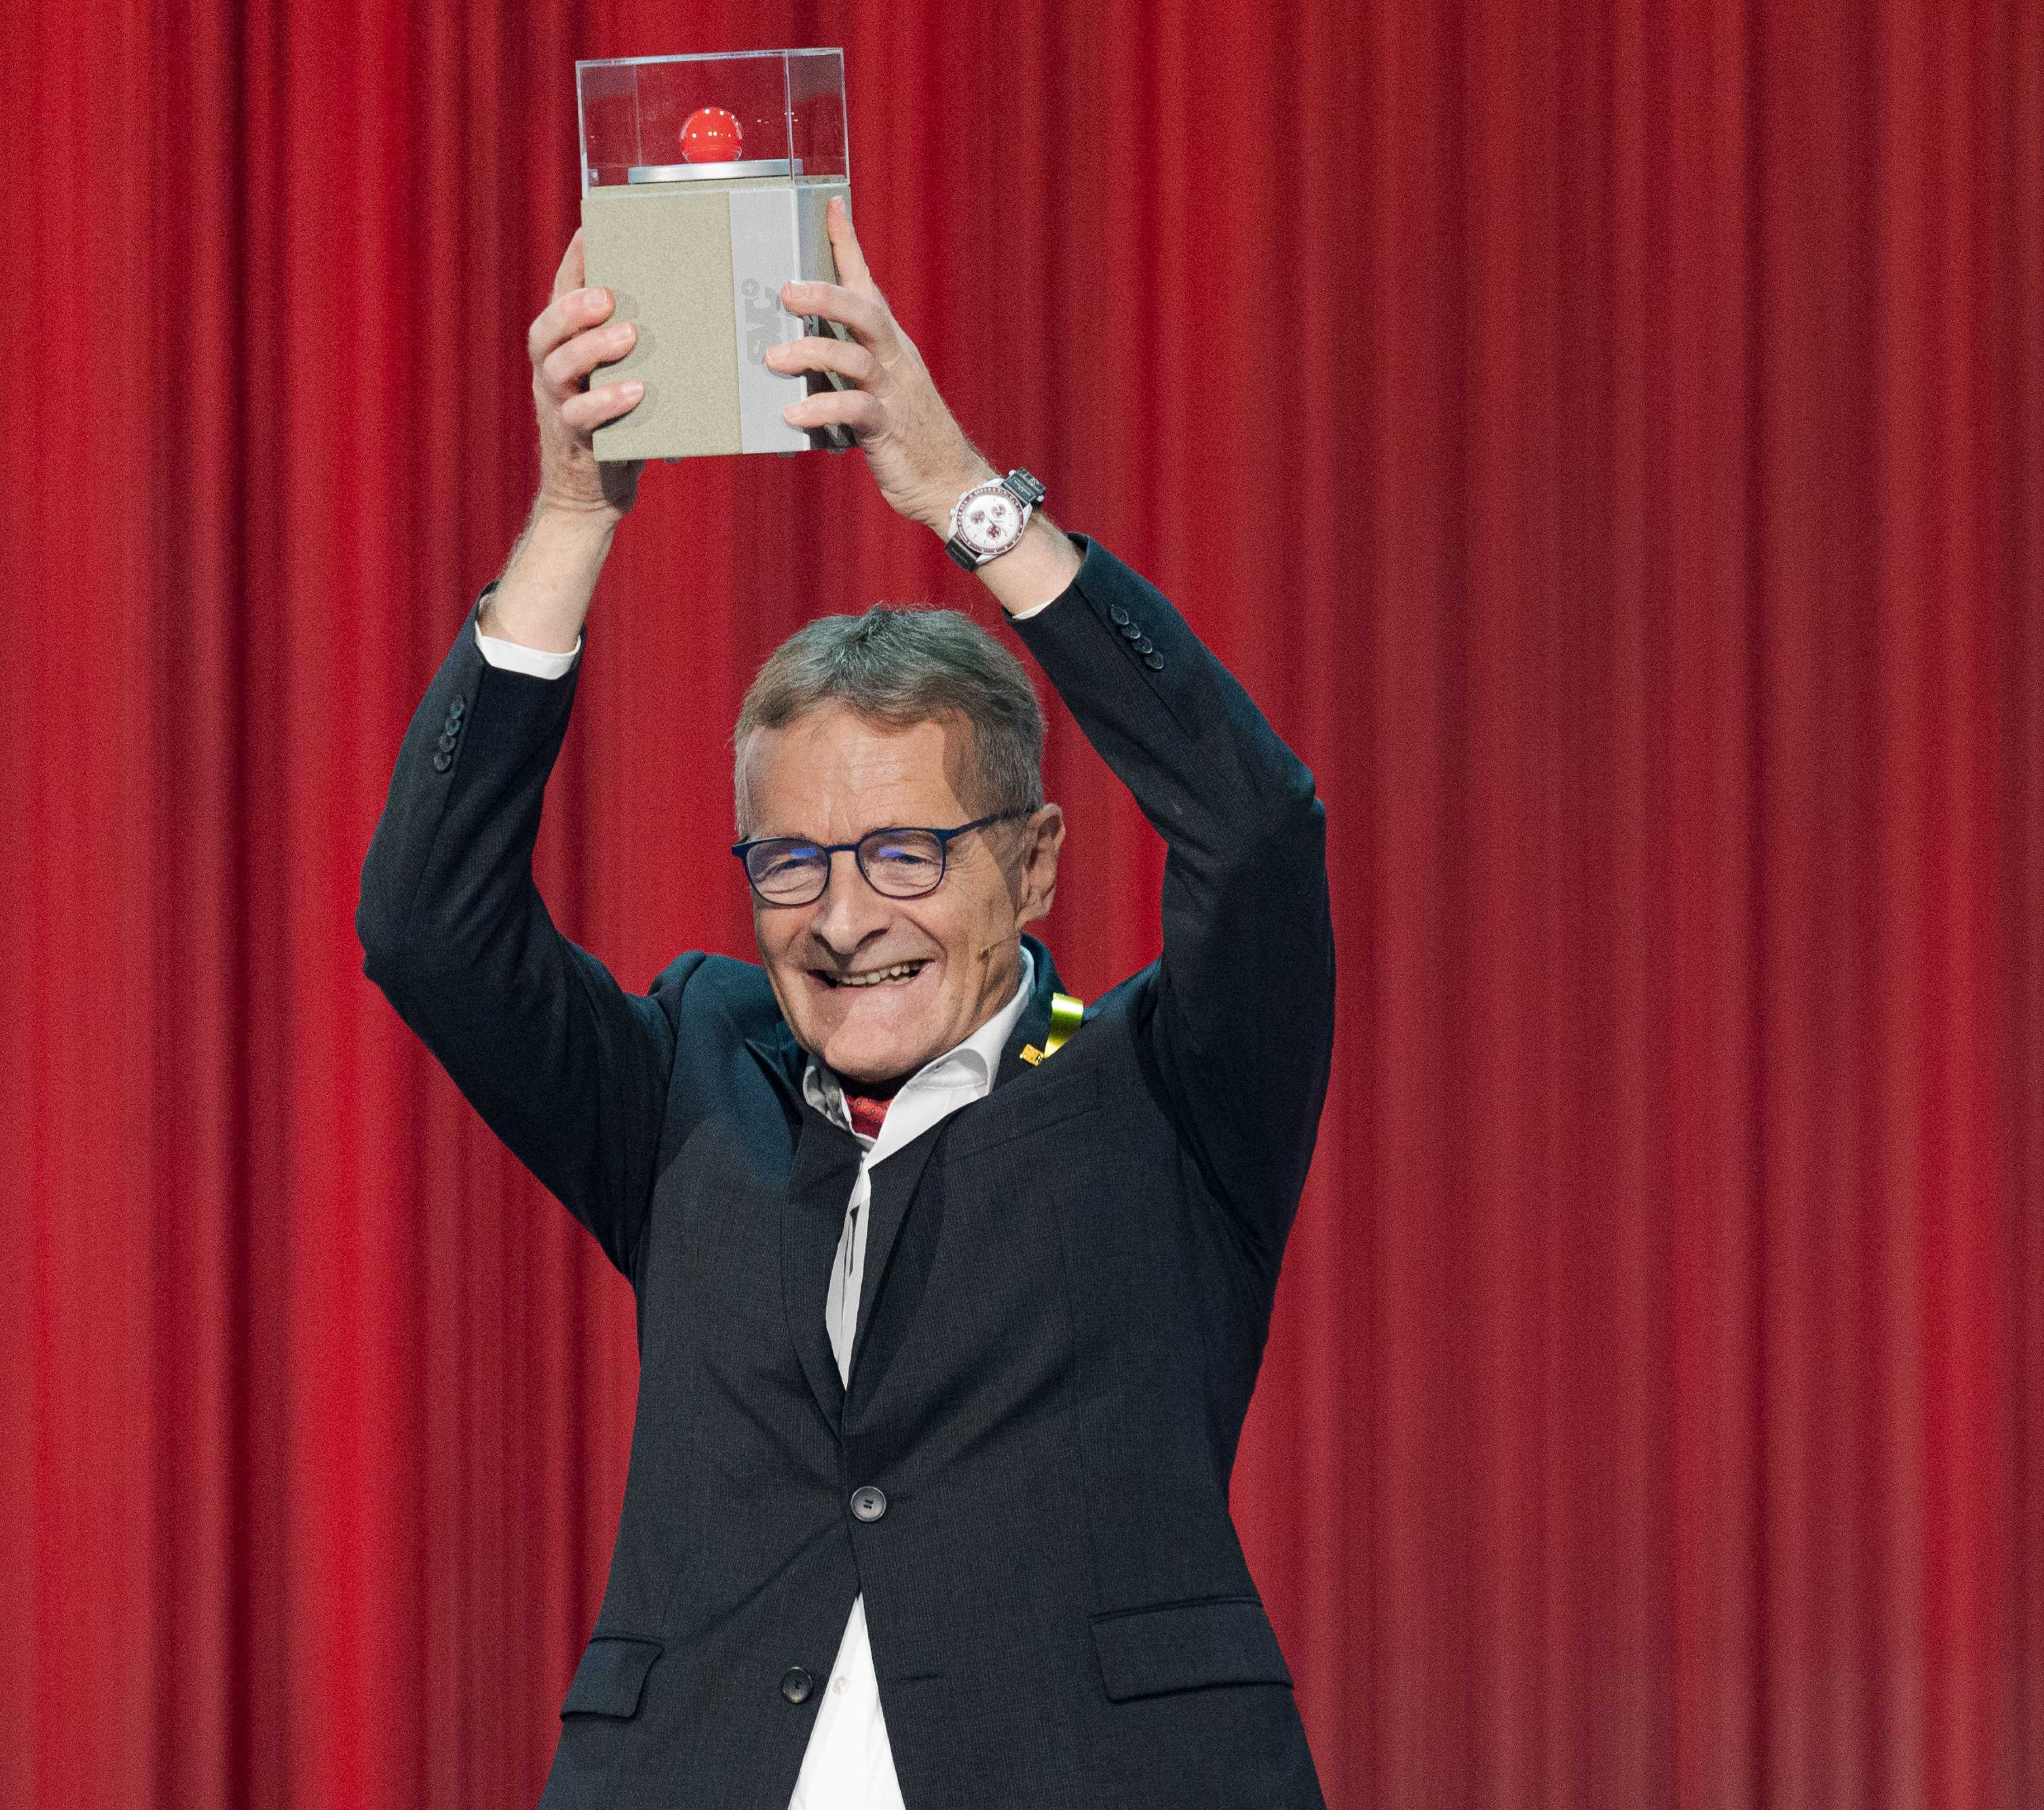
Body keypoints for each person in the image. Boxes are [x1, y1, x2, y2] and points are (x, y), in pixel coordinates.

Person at [358, 199, 1334, 1809]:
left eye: (904, 851)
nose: (843, 920)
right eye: (791, 862)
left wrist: (962, 494)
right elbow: (427, 930)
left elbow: (1258, 831)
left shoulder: (1172, 1094)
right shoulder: (691, 1082)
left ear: (1030, 870)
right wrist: (571, 515)